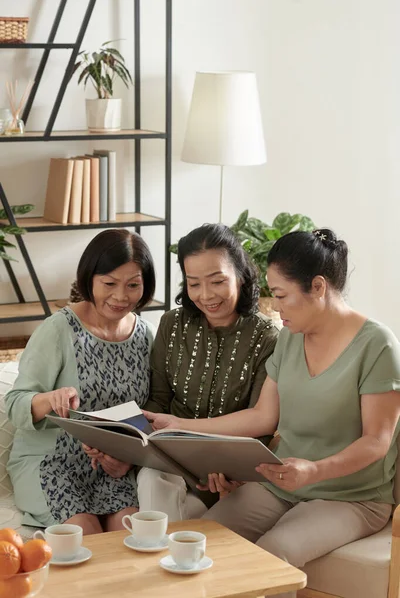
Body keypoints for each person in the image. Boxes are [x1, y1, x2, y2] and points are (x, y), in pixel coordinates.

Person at [144, 228, 400, 598]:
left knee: (271, 554)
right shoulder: (291, 337)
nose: (275, 306)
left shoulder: (377, 346)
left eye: (280, 295)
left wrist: (313, 470)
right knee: (198, 540)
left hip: (351, 496)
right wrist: (181, 424)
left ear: (317, 287)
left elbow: (377, 442)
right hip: (281, 482)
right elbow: (263, 416)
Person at [6, 229, 156, 535]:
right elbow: (15, 403)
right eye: (109, 283)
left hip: (111, 469)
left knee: (133, 537)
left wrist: (127, 459)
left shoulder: (146, 336)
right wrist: (51, 398)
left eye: (133, 285)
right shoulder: (58, 329)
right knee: (85, 538)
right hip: (51, 463)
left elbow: (147, 413)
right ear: (90, 279)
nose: (121, 296)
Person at [137, 223, 279, 520]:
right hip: (169, 461)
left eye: (217, 281)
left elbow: (261, 423)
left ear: (240, 274)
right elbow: (158, 401)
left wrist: (225, 463)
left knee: (174, 524)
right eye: (194, 283)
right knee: (153, 480)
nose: (205, 295)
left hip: (226, 472)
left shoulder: (267, 338)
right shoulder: (171, 325)